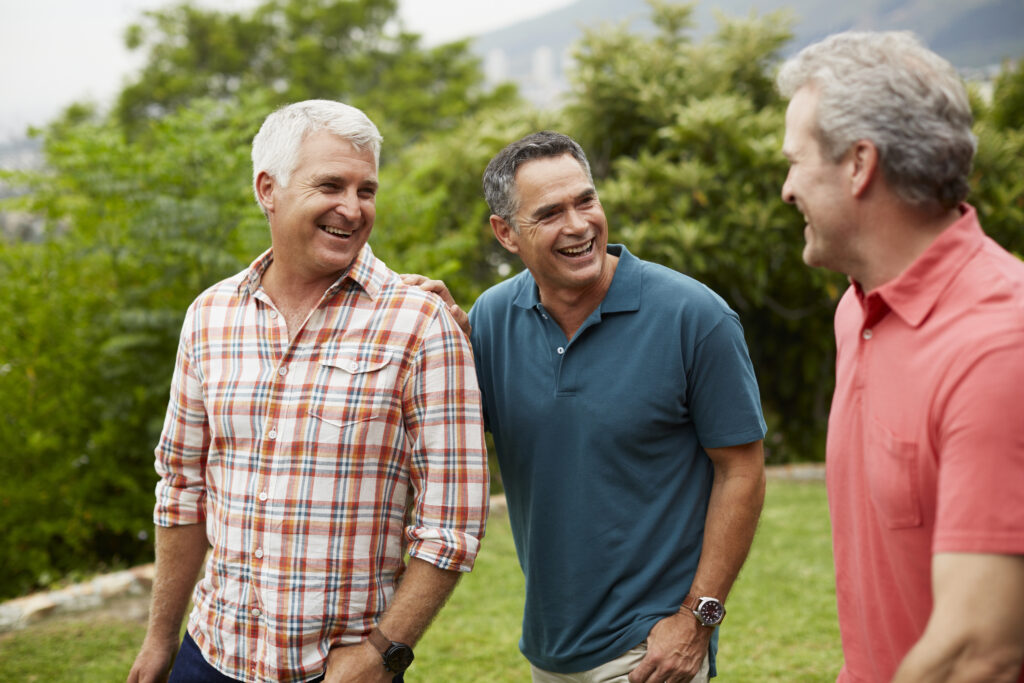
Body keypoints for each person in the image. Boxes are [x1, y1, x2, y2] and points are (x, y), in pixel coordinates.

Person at [126, 100, 490, 683]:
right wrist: (159, 637)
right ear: (268, 188)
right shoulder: (209, 316)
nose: (352, 208)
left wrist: (383, 652)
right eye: (330, 185)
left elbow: (453, 521)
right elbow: (181, 489)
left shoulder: (422, 323)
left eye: (366, 190)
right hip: (210, 655)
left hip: (341, 670)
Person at [412, 131, 767, 682]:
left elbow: (741, 468)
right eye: (550, 212)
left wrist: (697, 619)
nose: (578, 225)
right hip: (549, 649)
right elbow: (453, 432)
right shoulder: (492, 317)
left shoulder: (695, 317)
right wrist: (439, 344)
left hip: (650, 652)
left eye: (586, 200)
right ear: (506, 233)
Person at [777, 31, 1024, 682]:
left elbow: (982, 651)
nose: (785, 189)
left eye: (795, 162)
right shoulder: (854, 311)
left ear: (859, 165)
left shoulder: (1000, 345)